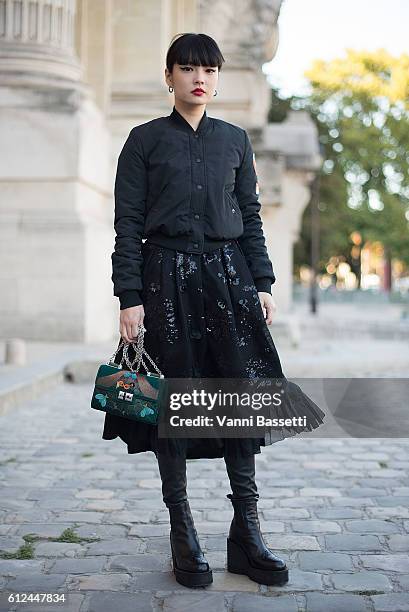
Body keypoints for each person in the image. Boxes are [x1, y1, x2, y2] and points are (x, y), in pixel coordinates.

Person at [102, 32, 325, 588]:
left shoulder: (235, 141)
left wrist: (264, 281)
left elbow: (250, 215)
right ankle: (184, 535)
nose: (199, 77)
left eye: (209, 69)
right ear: (170, 76)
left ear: (218, 78)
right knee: (173, 404)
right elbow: (127, 222)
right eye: (187, 68)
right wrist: (129, 295)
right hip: (165, 279)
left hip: (229, 281)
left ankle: (246, 534)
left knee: (238, 402)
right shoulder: (144, 141)